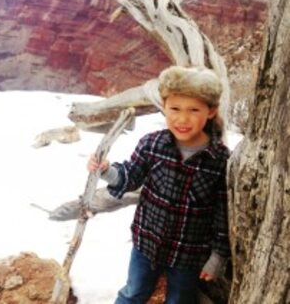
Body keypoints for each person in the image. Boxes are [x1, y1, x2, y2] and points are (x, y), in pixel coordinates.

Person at [88, 65, 231, 304]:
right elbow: (130, 175)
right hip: (146, 243)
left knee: (179, 300)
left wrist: (218, 255)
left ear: (211, 111)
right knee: (133, 292)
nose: (182, 119)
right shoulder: (152, 145)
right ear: (163, 107)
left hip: (188, 253)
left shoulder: (219, 160)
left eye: (194, 110)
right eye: (174, 108)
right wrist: (107, 171)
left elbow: (222, 212)